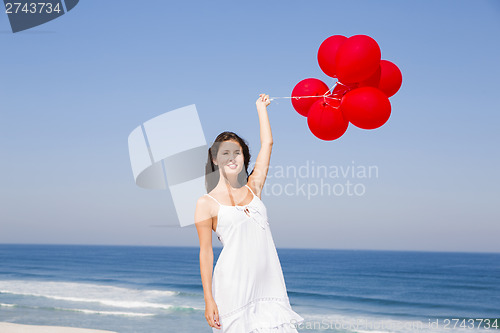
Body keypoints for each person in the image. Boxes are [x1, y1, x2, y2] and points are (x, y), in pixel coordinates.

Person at [195, 94, 305, 332]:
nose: (232, 157)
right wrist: (208, 299)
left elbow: (268, 144)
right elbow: (205, 253)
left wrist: (261, 108)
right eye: (225, 153)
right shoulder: (206, 203)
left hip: (268, 286)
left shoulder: (254, 186)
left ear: (244, 156)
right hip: (231, 286)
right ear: (215, 159)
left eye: (237, 152)